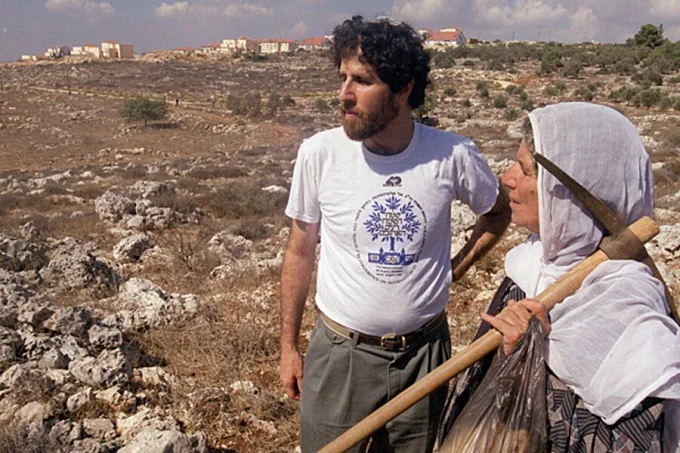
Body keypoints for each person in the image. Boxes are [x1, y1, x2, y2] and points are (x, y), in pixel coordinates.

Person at [279, 15, 511, 453]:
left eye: (361, 81)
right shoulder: (319, 154)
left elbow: (498, 212)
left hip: (424, 358)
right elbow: (298, 252)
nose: (344, 95)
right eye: (342, 77)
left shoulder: (453, 154)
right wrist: (288, 346)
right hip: (339, 356)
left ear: (404, 89)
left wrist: (454, 269)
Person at [438, 102, 680, 452]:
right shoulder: (530, 265)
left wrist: (528, 359)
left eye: (523, 169)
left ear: (565, 194)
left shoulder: (631, 324)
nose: (507, 178)